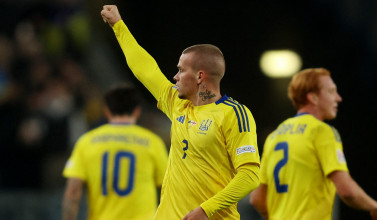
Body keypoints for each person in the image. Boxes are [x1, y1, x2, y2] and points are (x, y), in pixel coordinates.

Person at [101, 5, 261, 220]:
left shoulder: (234, 114)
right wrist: (118, 26)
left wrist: (206, 209)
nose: (175, 77)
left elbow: (250, 175)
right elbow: (145, 69)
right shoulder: (176, 103)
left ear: (199, 76)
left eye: (181, 70)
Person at [249, 68, 377, 220]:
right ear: (313, 98)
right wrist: (376, 208)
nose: (338, 98)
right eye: (331, 92)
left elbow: (256, 198)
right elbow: (347, 192)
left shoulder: (274, 136)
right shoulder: (322, 131)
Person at [62, 85, 168, 220]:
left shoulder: (86, 142)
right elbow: (168, 188)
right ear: (137, 111)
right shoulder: (153, 142)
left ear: (107, 111)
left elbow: (72, 192)